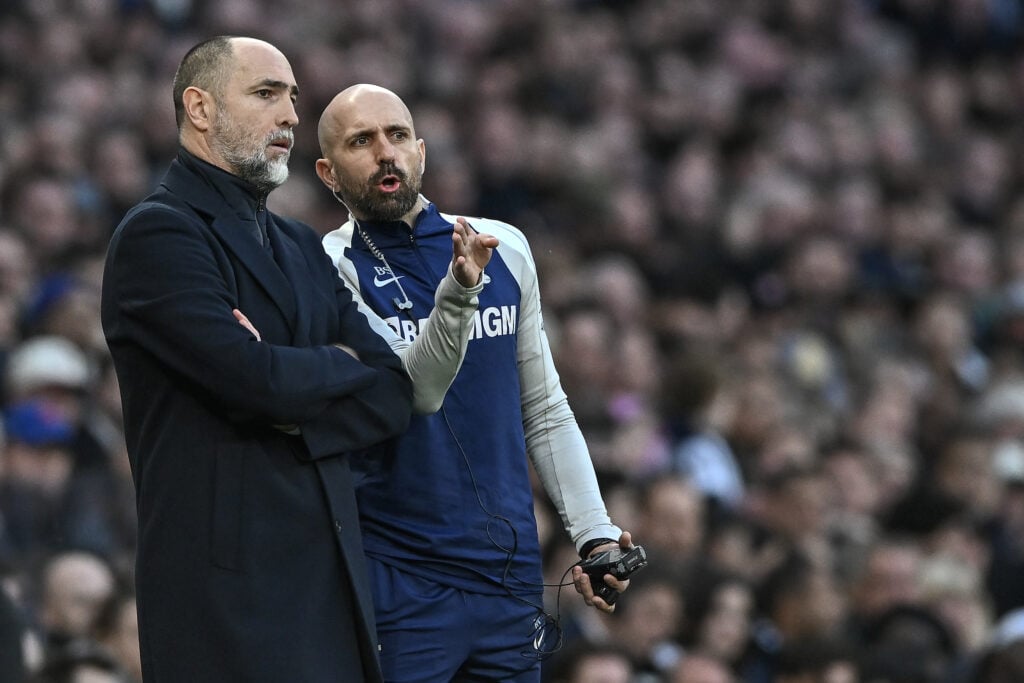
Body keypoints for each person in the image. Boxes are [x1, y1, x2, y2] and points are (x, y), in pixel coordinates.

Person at [101, 37, 493, 683]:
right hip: (226, 602)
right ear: (199, 107)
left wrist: (290, 384)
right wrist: (327, 368)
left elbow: (391, 393)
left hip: (329, 584)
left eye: (292, 98)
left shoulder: (298, 244)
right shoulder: (159, 233)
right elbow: (254, 382)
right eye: (265, 94)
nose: (289, 116)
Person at [316, 83, 634, 682]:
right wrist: (459, 296)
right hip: (401, 579)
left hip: (511, 581)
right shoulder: (330, 268)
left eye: (397, 135)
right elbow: (415, 393)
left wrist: (593, 535)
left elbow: (542, 407)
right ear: (328, 173)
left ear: (422, 152)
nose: (385, 152)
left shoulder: (503, 245)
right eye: (361, 141)